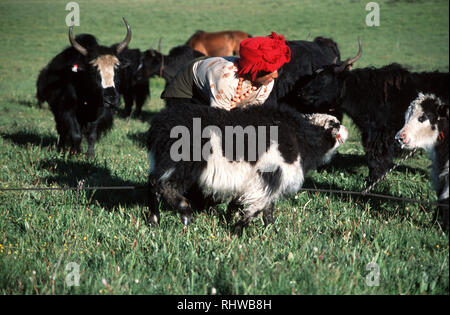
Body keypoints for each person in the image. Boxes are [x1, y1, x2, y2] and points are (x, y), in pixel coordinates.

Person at [162, 32, 291, 110]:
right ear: (253, 71)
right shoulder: (225, 79)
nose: (275, 75)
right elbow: (218, 119)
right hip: (192, 79)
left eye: (276, 69)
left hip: (218, 79)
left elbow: (250, 112)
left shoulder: (267, 82)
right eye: (268, 71)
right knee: (182, 123)